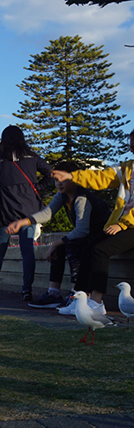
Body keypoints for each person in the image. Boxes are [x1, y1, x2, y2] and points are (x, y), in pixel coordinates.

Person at [7, 161, 111, 309]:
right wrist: (23, 222)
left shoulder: (82, 198)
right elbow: (47, 213)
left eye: (63, 179)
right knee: (60, 249)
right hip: (87, 235)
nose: (59, 184)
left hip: (103, 233)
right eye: (56, 180)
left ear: (75, 179)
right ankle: (54, 294)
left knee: (73, 247)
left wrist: (56, 243)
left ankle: (76, 294)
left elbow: (82, 230)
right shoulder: (62, 196)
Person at [51, 128, 134, 313]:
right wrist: (72, 175)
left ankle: (96, 304)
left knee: (100, 250)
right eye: (131, 146)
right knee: (88, 248)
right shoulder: (128, 168)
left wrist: (123, 224)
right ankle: (80, 301)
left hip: (130, 226)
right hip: (124, 226)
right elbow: (101, 177)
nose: (132, 149)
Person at [0, 125, 53, 300]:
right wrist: (36, 188)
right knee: (27, 250)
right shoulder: (32, 157)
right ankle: (26, 290)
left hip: (3, 210)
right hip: (28, 210)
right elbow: (50, 174)